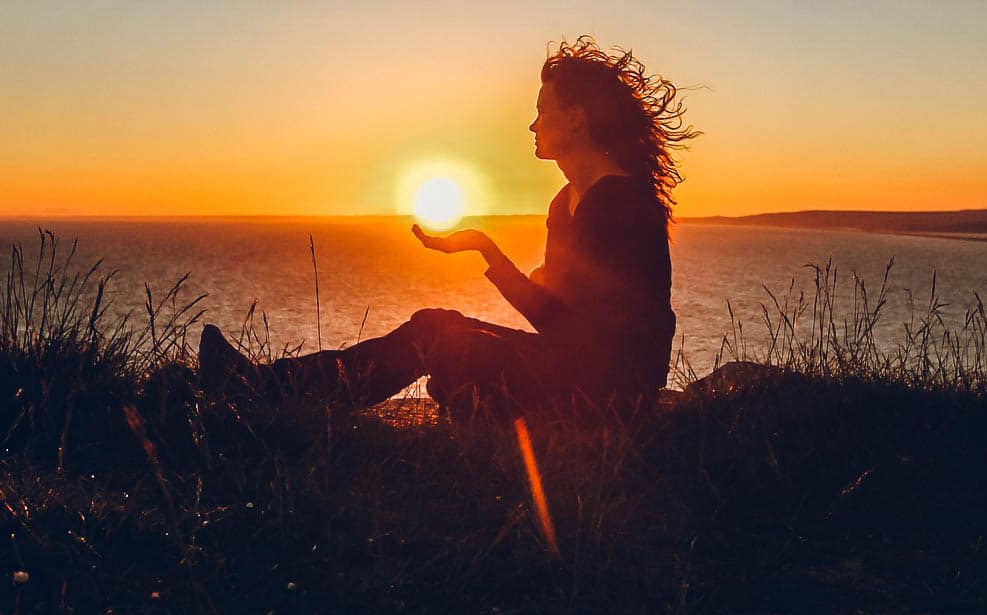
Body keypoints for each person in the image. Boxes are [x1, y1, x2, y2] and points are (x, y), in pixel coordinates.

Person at [198, 36, 698, 424]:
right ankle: (267, 388)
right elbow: (558, 321)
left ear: (576, 120)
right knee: (435, 324)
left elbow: (588, 336)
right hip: (573, 367)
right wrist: (489, 258)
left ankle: (266, 392)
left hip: (609, 393)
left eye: (543, 112)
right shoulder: (564, 204)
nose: (533, 125)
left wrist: (489, 276)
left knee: (448, 343)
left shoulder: (619, 203)